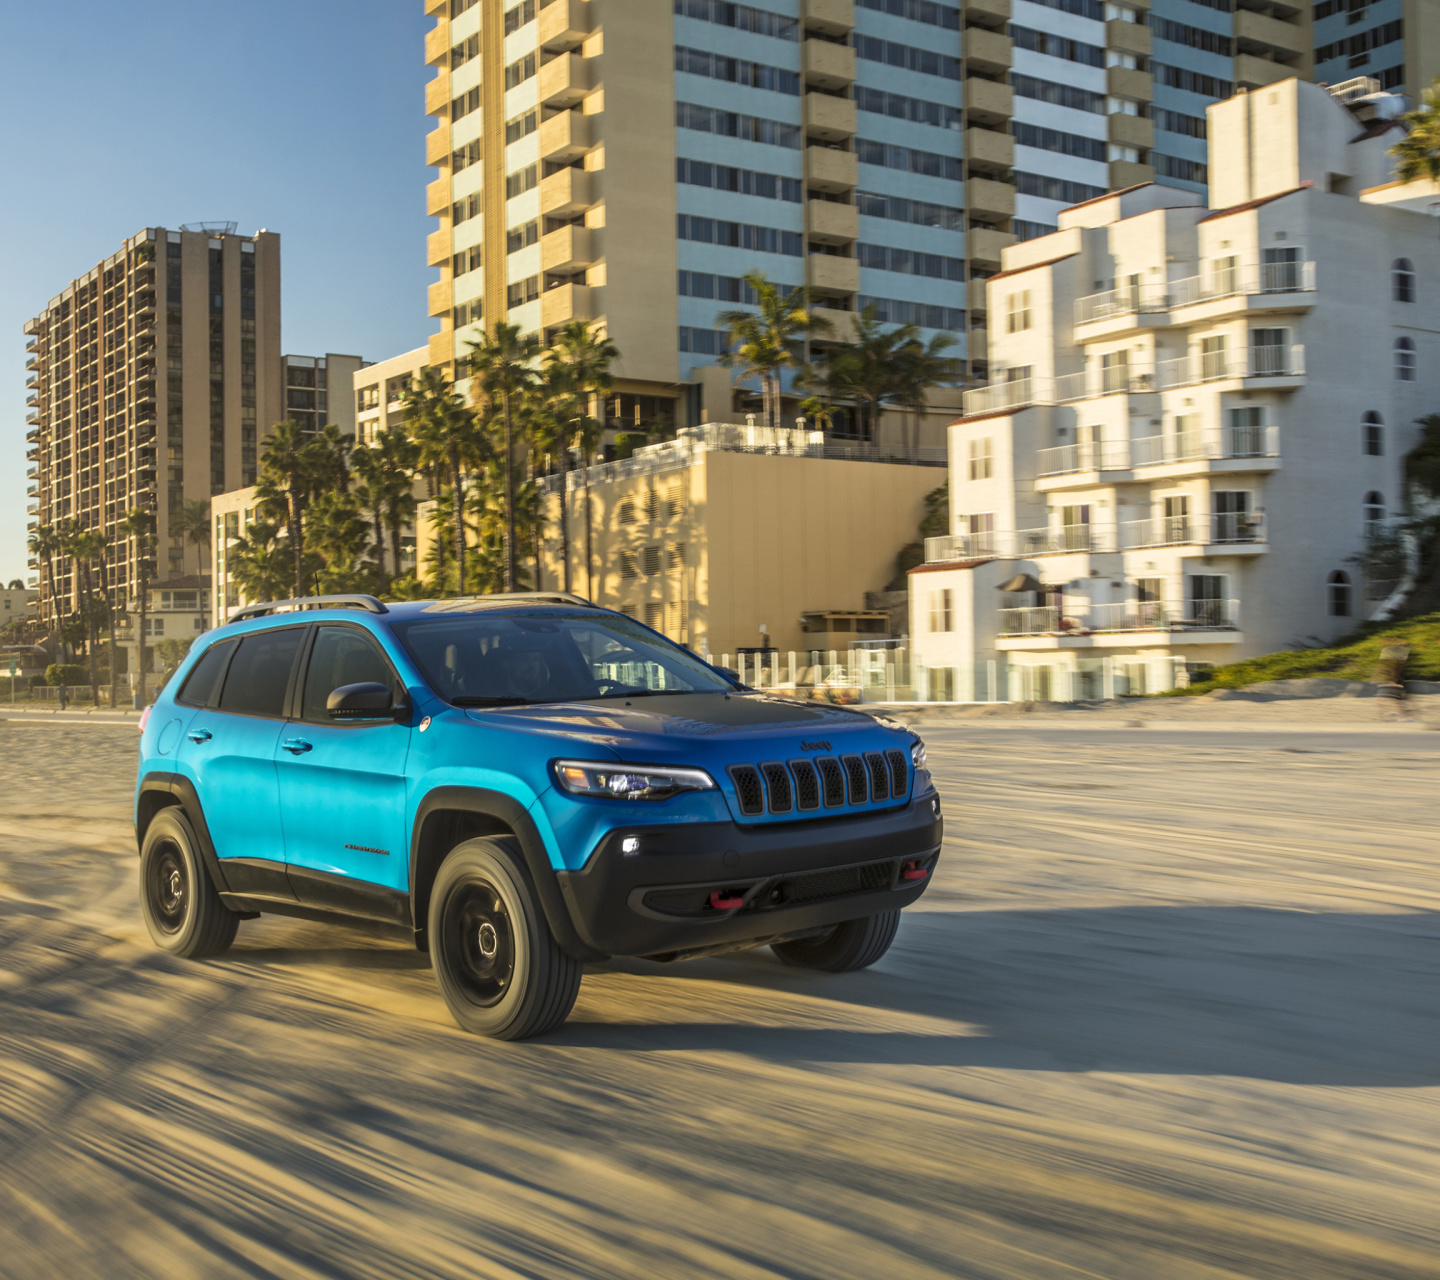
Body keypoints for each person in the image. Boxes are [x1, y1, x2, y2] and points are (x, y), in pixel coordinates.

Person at [1374, 643, 1412, 721]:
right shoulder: (1394, 662)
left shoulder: (1395, 662)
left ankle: (1401, 717)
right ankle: (1389, 716)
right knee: (1385, 700)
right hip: (1388, 683)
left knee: (1390, 700)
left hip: (1390, 683)